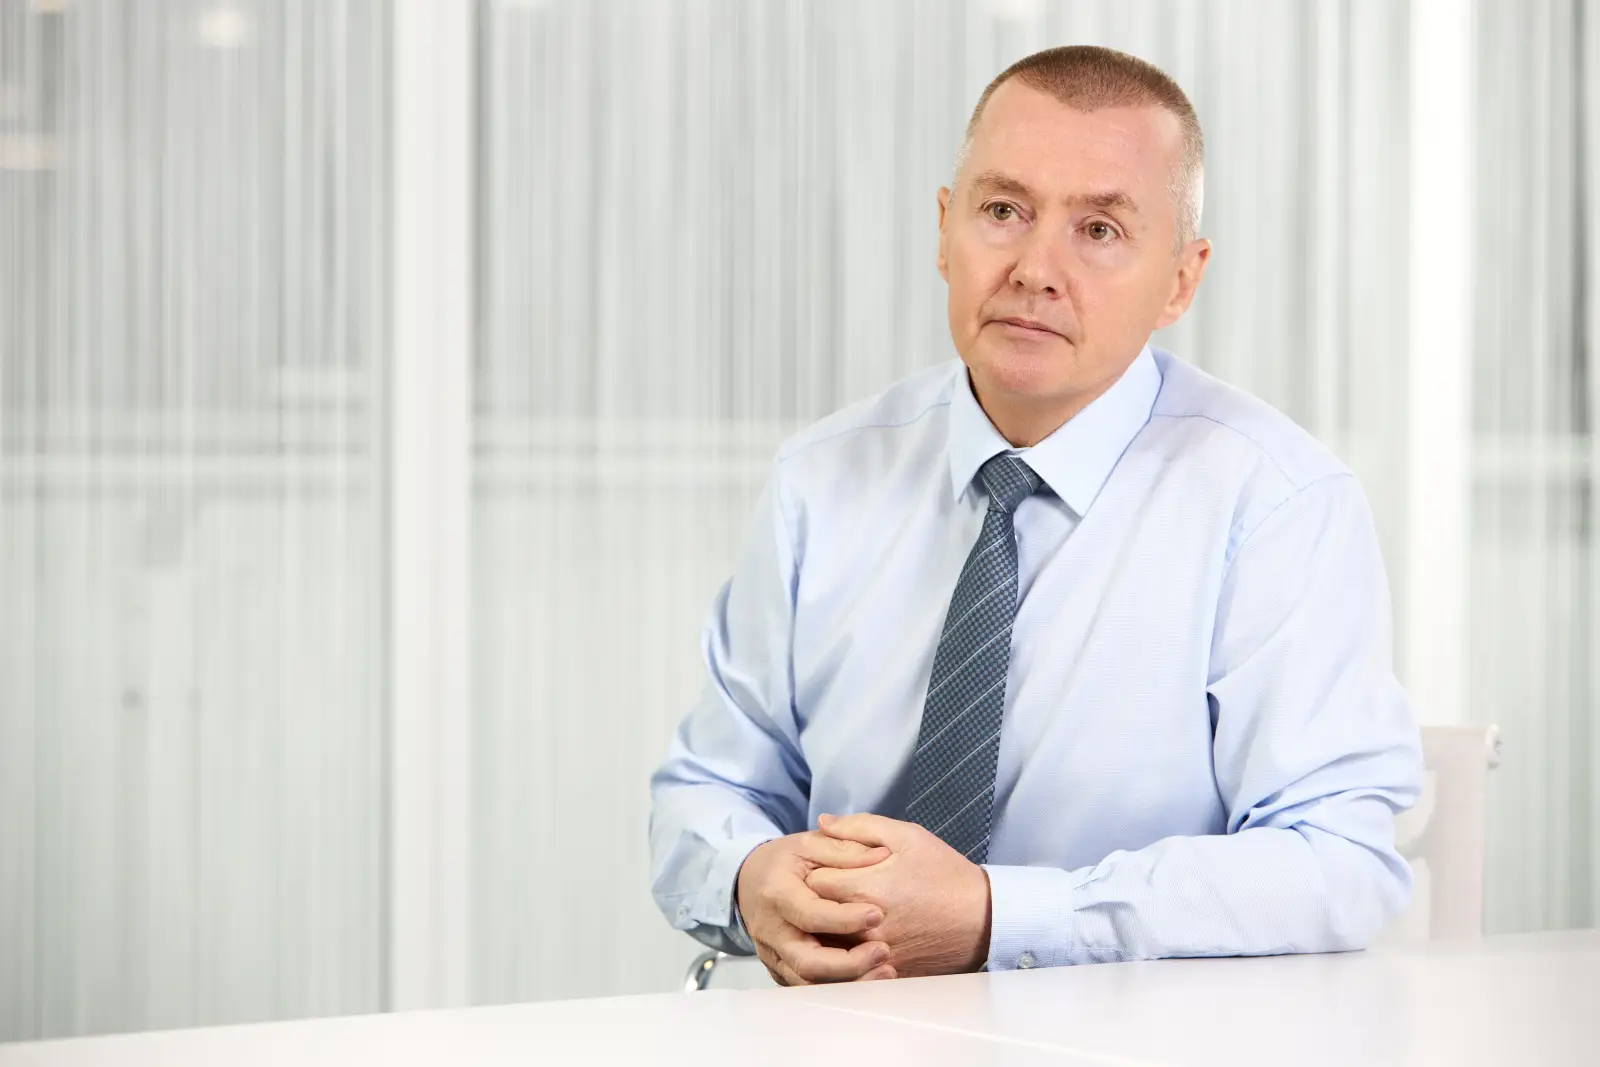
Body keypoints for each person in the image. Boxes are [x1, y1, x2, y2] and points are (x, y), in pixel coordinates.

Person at [649, 44, 1422, 985]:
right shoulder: (823, 478)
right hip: (837, 1033)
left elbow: (1338, 863)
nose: (1035, 268)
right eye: (1003, 211)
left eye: (1099, 229)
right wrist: (748, 876)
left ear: (1181, 279)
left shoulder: (1277, 505)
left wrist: (996, 916)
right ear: (944, 230)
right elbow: (708, 790)